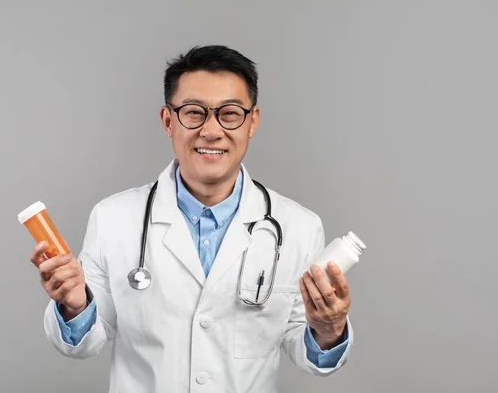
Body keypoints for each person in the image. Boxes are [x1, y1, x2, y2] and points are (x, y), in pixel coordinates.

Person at [30, 45, 354, 393]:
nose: (211, 131)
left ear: (252, 122)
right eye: (193, 112)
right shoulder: (114, 219)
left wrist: (329, 328)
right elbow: (85, 342)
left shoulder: (299, 227)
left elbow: (306, 348)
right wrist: (74, 306)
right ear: (168, 121)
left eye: (229, 114)